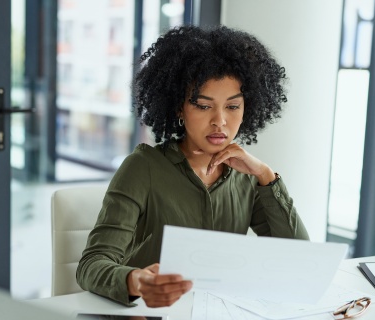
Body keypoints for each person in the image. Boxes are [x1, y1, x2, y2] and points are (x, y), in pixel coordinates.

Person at [76, 25, 309, 308]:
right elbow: (91, 265)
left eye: (233, 107)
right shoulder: (143, 168)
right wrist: (136, 281)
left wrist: (266, 176)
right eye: (203, 105)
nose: (220, 121)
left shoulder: (249, 176)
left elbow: (299, 259)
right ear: (178, 107)